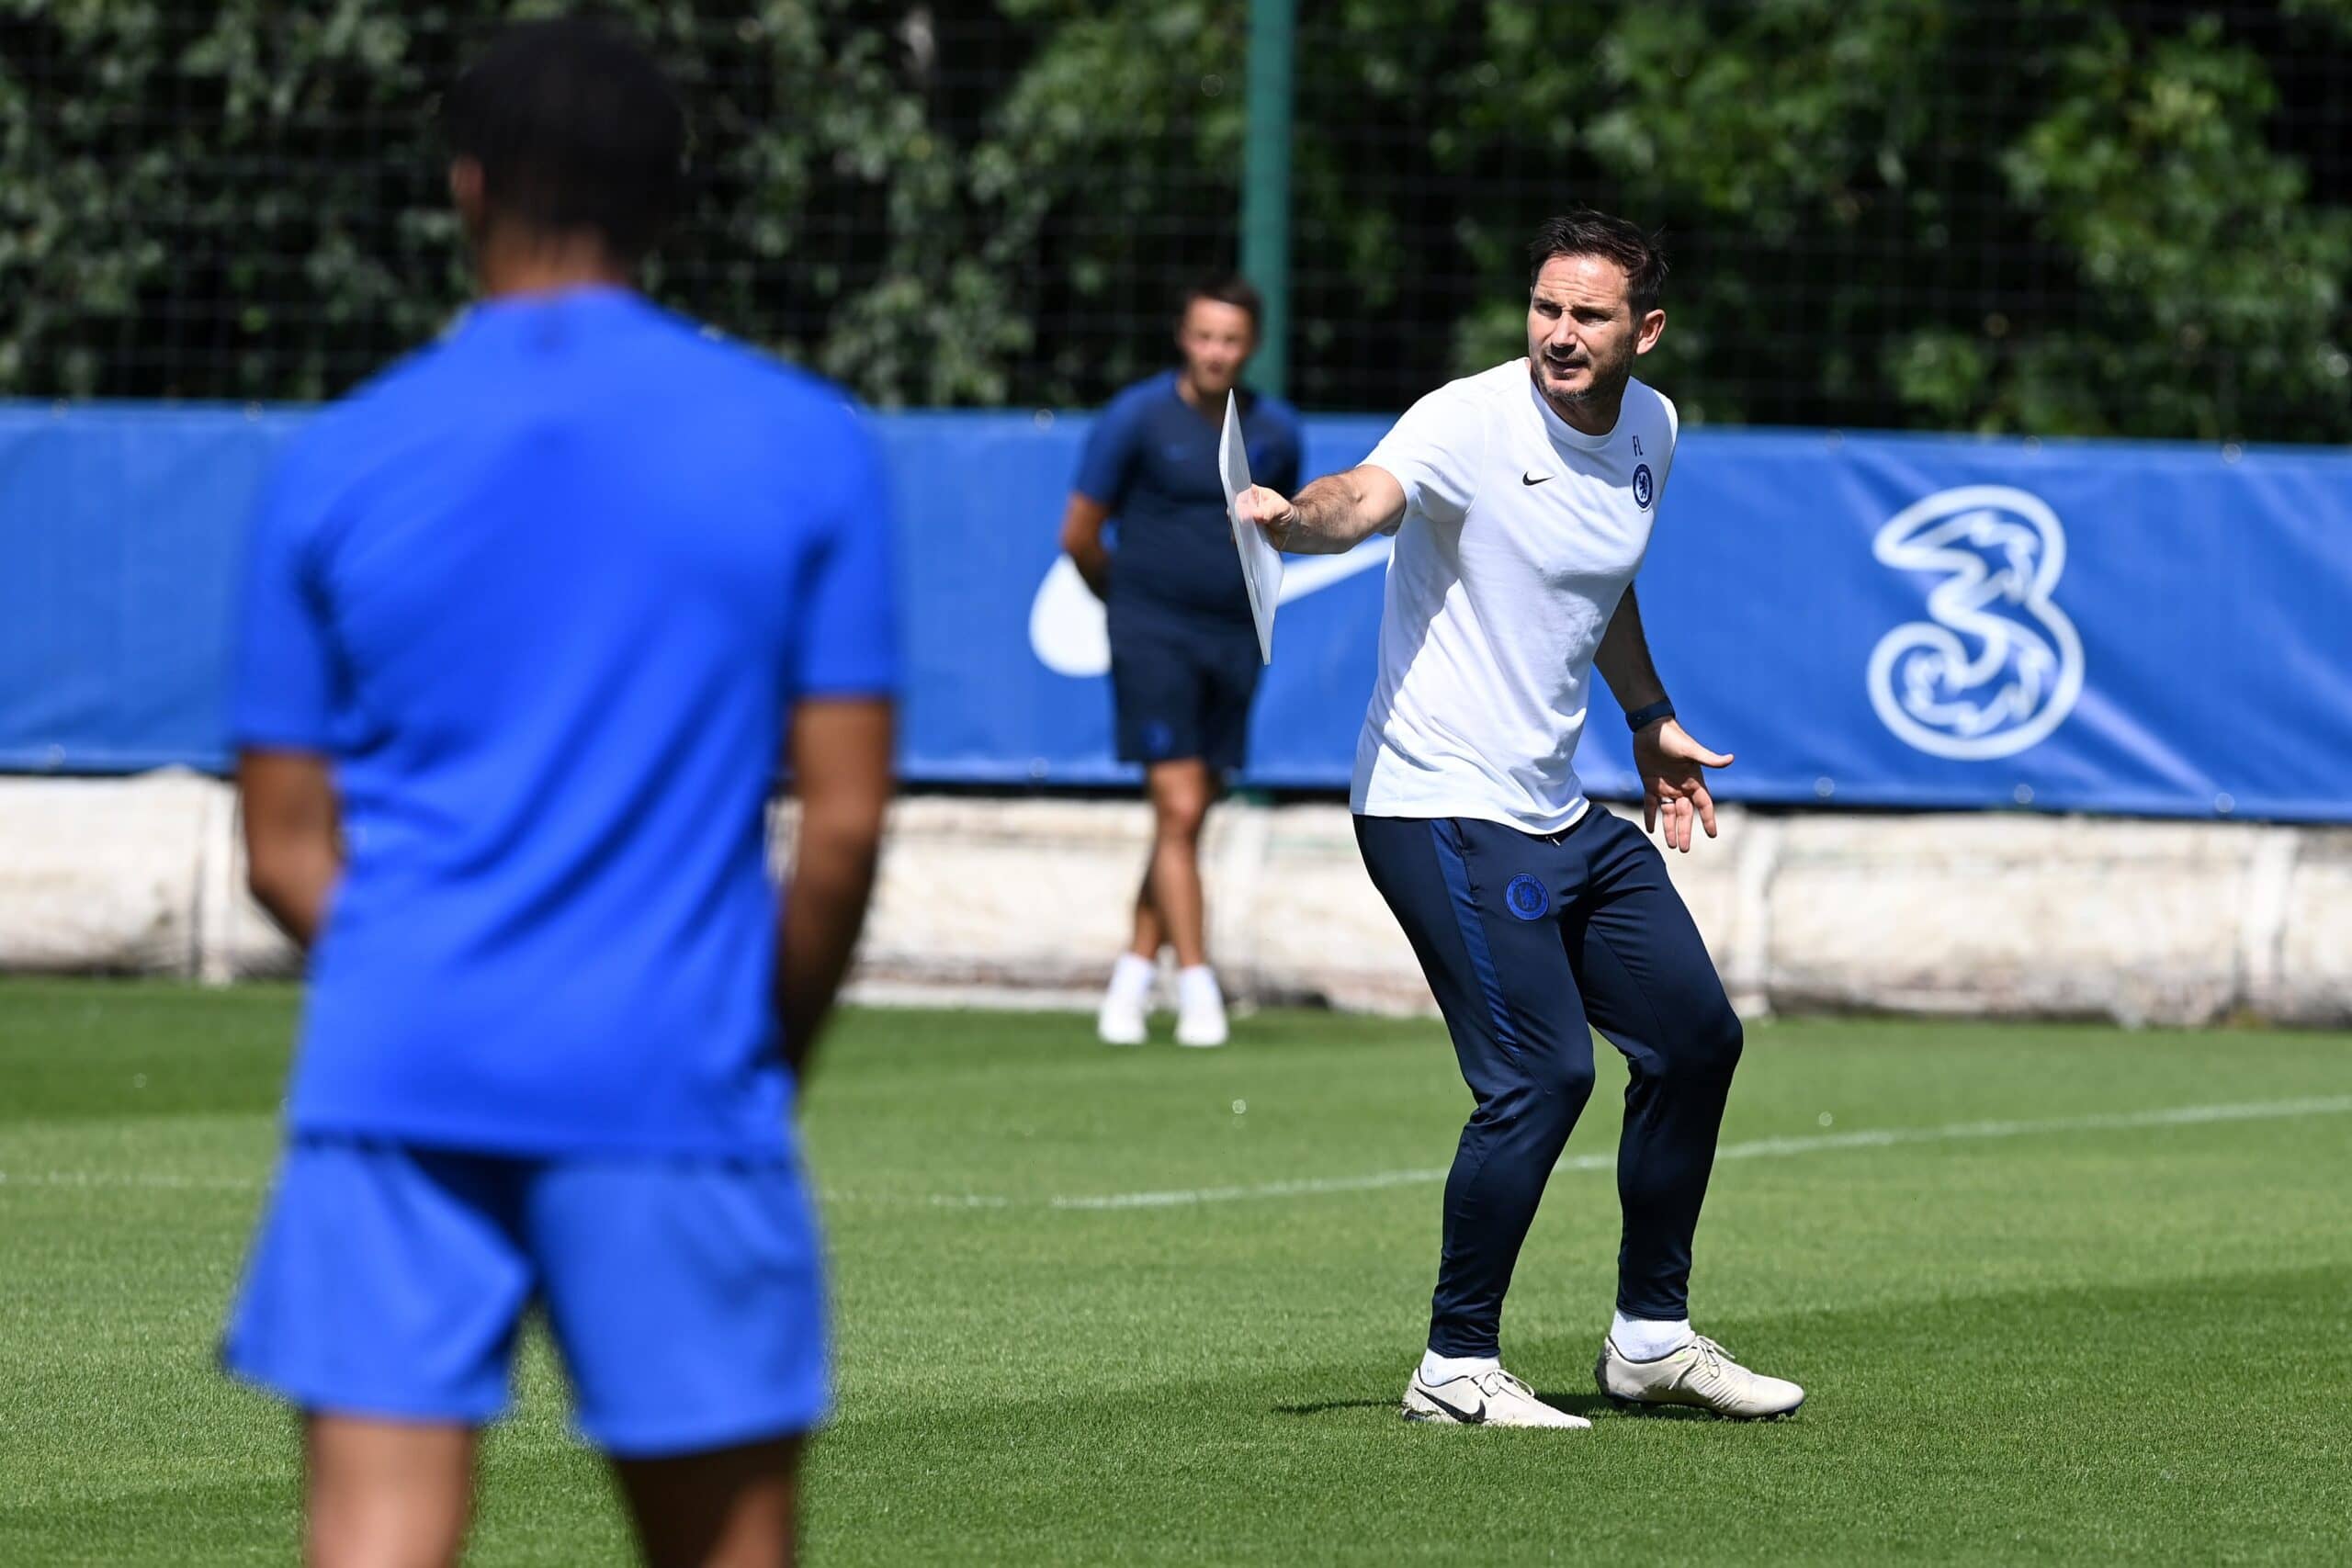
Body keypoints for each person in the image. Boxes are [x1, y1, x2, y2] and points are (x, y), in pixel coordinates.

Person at [220, 18, 895, 1565]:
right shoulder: (812, 449)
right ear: (669, 202)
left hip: (399, 1067)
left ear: (466, 187)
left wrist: (423, 973)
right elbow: (845, 828)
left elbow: (280, 847)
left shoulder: (333, 458)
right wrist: (757, 1052)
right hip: (674, 1064)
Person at [1235, 210, 1803, 1428]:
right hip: (1435, 800)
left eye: (1589, 314)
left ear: (1647, 329)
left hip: (1555, 807)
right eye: (1546, 308)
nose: (1559, 333)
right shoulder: (1467, 419)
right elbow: (1363, 498)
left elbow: (1603, 580)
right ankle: (1454, 1365)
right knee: (1541, 1074)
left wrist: (1649, 716)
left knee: (1695, 1039)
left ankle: (1649, 1341)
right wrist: (1295, 521)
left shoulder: (1652, 427)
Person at [1058, 278, 1302, 1048]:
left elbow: (1281, 535)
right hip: (1151, 634)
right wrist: (1130, 604)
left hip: (1235, 640)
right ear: (1181, 336)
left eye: (1230, 339)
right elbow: (1080, 534)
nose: (1215, 352)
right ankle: (1199, 988)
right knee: (1182, 807)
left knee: (1187, 816)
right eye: (1203, 336)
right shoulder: (1135, 417)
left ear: (1251, 344)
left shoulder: (1276, 431)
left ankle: (1131, 976)